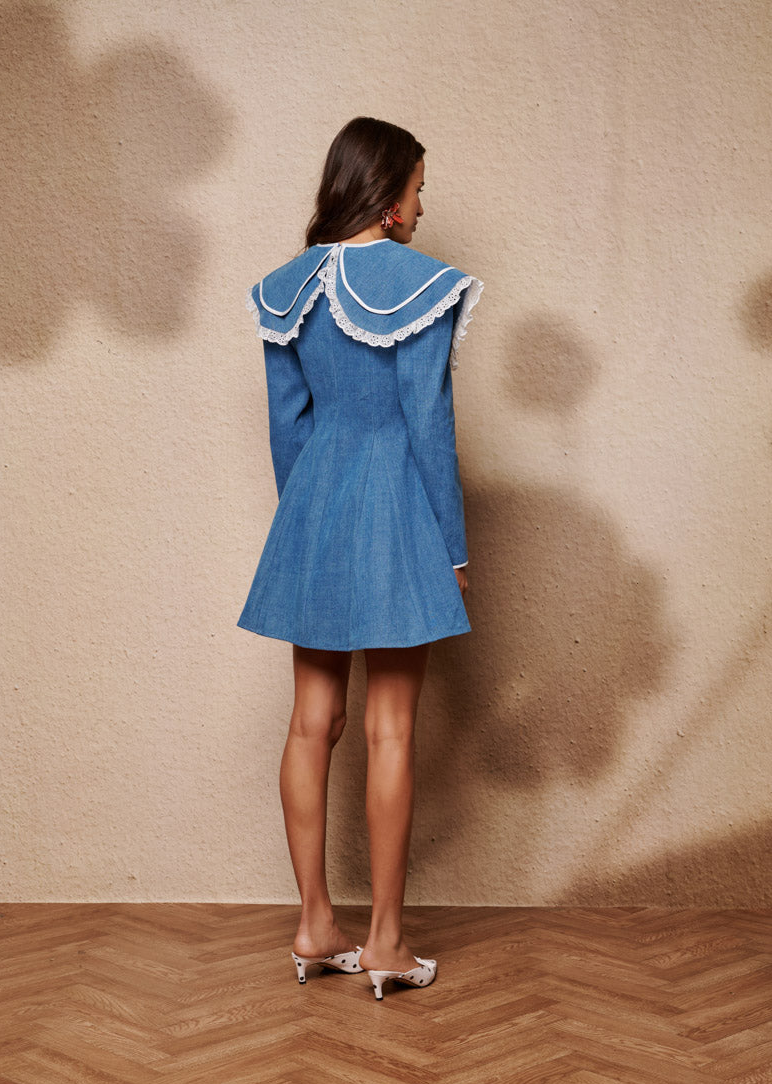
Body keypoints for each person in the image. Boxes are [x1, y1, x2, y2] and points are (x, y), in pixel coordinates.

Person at [238, 117, 482, 1000]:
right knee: (390, 730)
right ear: (387, 201)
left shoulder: (284, 287)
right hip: (398, 508)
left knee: (311, 723)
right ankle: (384, 942)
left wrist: (307, 523)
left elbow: (286, 425)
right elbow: (429, 424)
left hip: (313, 507)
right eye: (417, 188)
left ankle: (314, 925)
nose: (422, 207)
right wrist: (449, 546)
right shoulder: (418, 284)